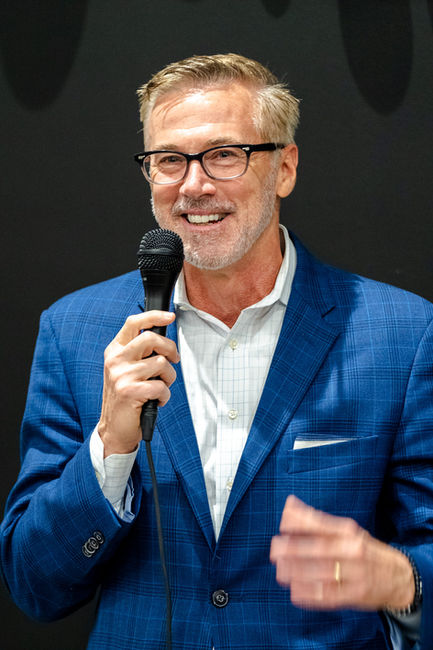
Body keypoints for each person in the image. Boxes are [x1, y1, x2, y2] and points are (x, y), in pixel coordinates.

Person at [1, 53, 433, 650]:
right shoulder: (75, 330)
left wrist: (403, 581)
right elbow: (34, 586)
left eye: (224, 155)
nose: (193, 185)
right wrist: (110, 448)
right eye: (169, 160)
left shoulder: (401, 335)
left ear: (284, 168)